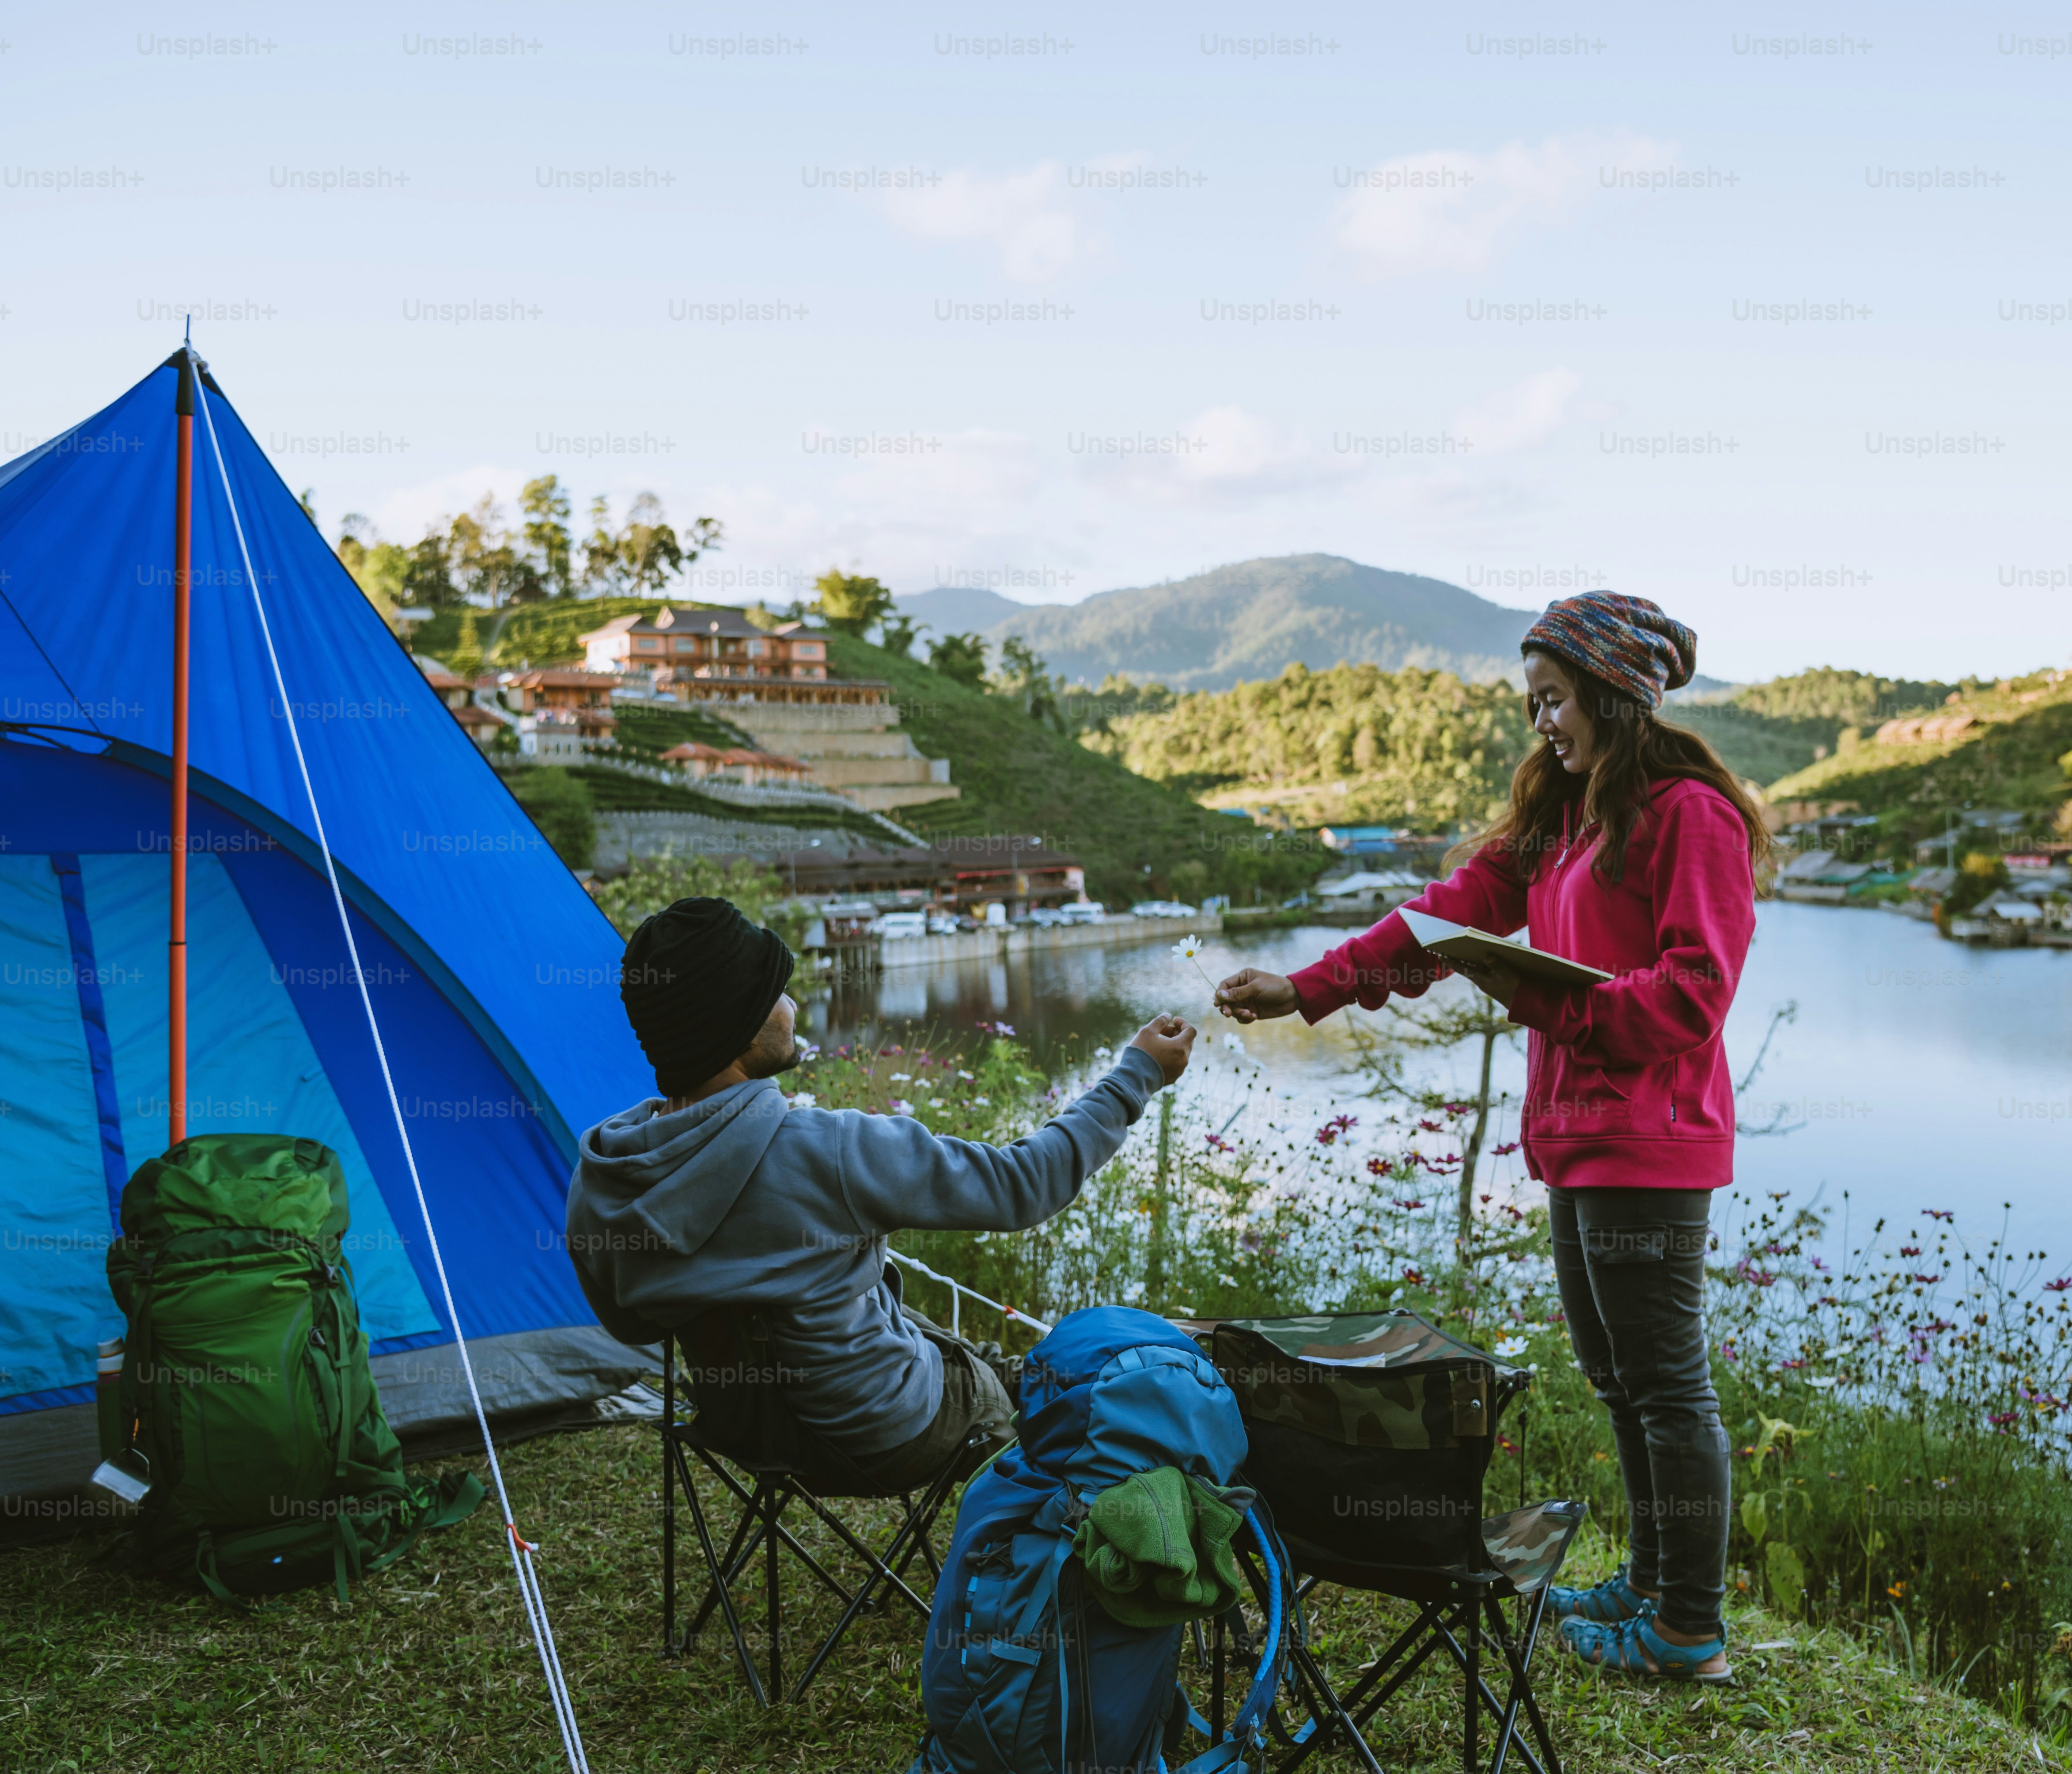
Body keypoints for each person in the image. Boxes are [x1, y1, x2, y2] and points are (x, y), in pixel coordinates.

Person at [1213, 591, 1769, 1683]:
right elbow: (1441, 916)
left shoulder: (1688, 814)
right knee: (1618, 1381)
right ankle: (1651, 1583)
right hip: (1573, 1136)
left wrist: (1552, 1002)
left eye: (1555, 700)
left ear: (1616, 694)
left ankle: (1687, 1628)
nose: (1541, 724)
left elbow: (1693, 995)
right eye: (1533, 702)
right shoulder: (1564, 818)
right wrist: (1307, 987)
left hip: (1648, 1143)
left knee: (1665, 1383)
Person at [565, 896, 1197, 1492]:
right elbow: (1022, 1186)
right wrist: (1134, 1075)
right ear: (738, 1024)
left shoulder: (608, 1168)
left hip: (746, 1436)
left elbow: (629, 1325)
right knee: (1044, 1385)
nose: (792, 1006)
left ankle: (988, 1369)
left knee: (924, 1329)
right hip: (889, 1436)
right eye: (777, 992)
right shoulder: (826, 1149)